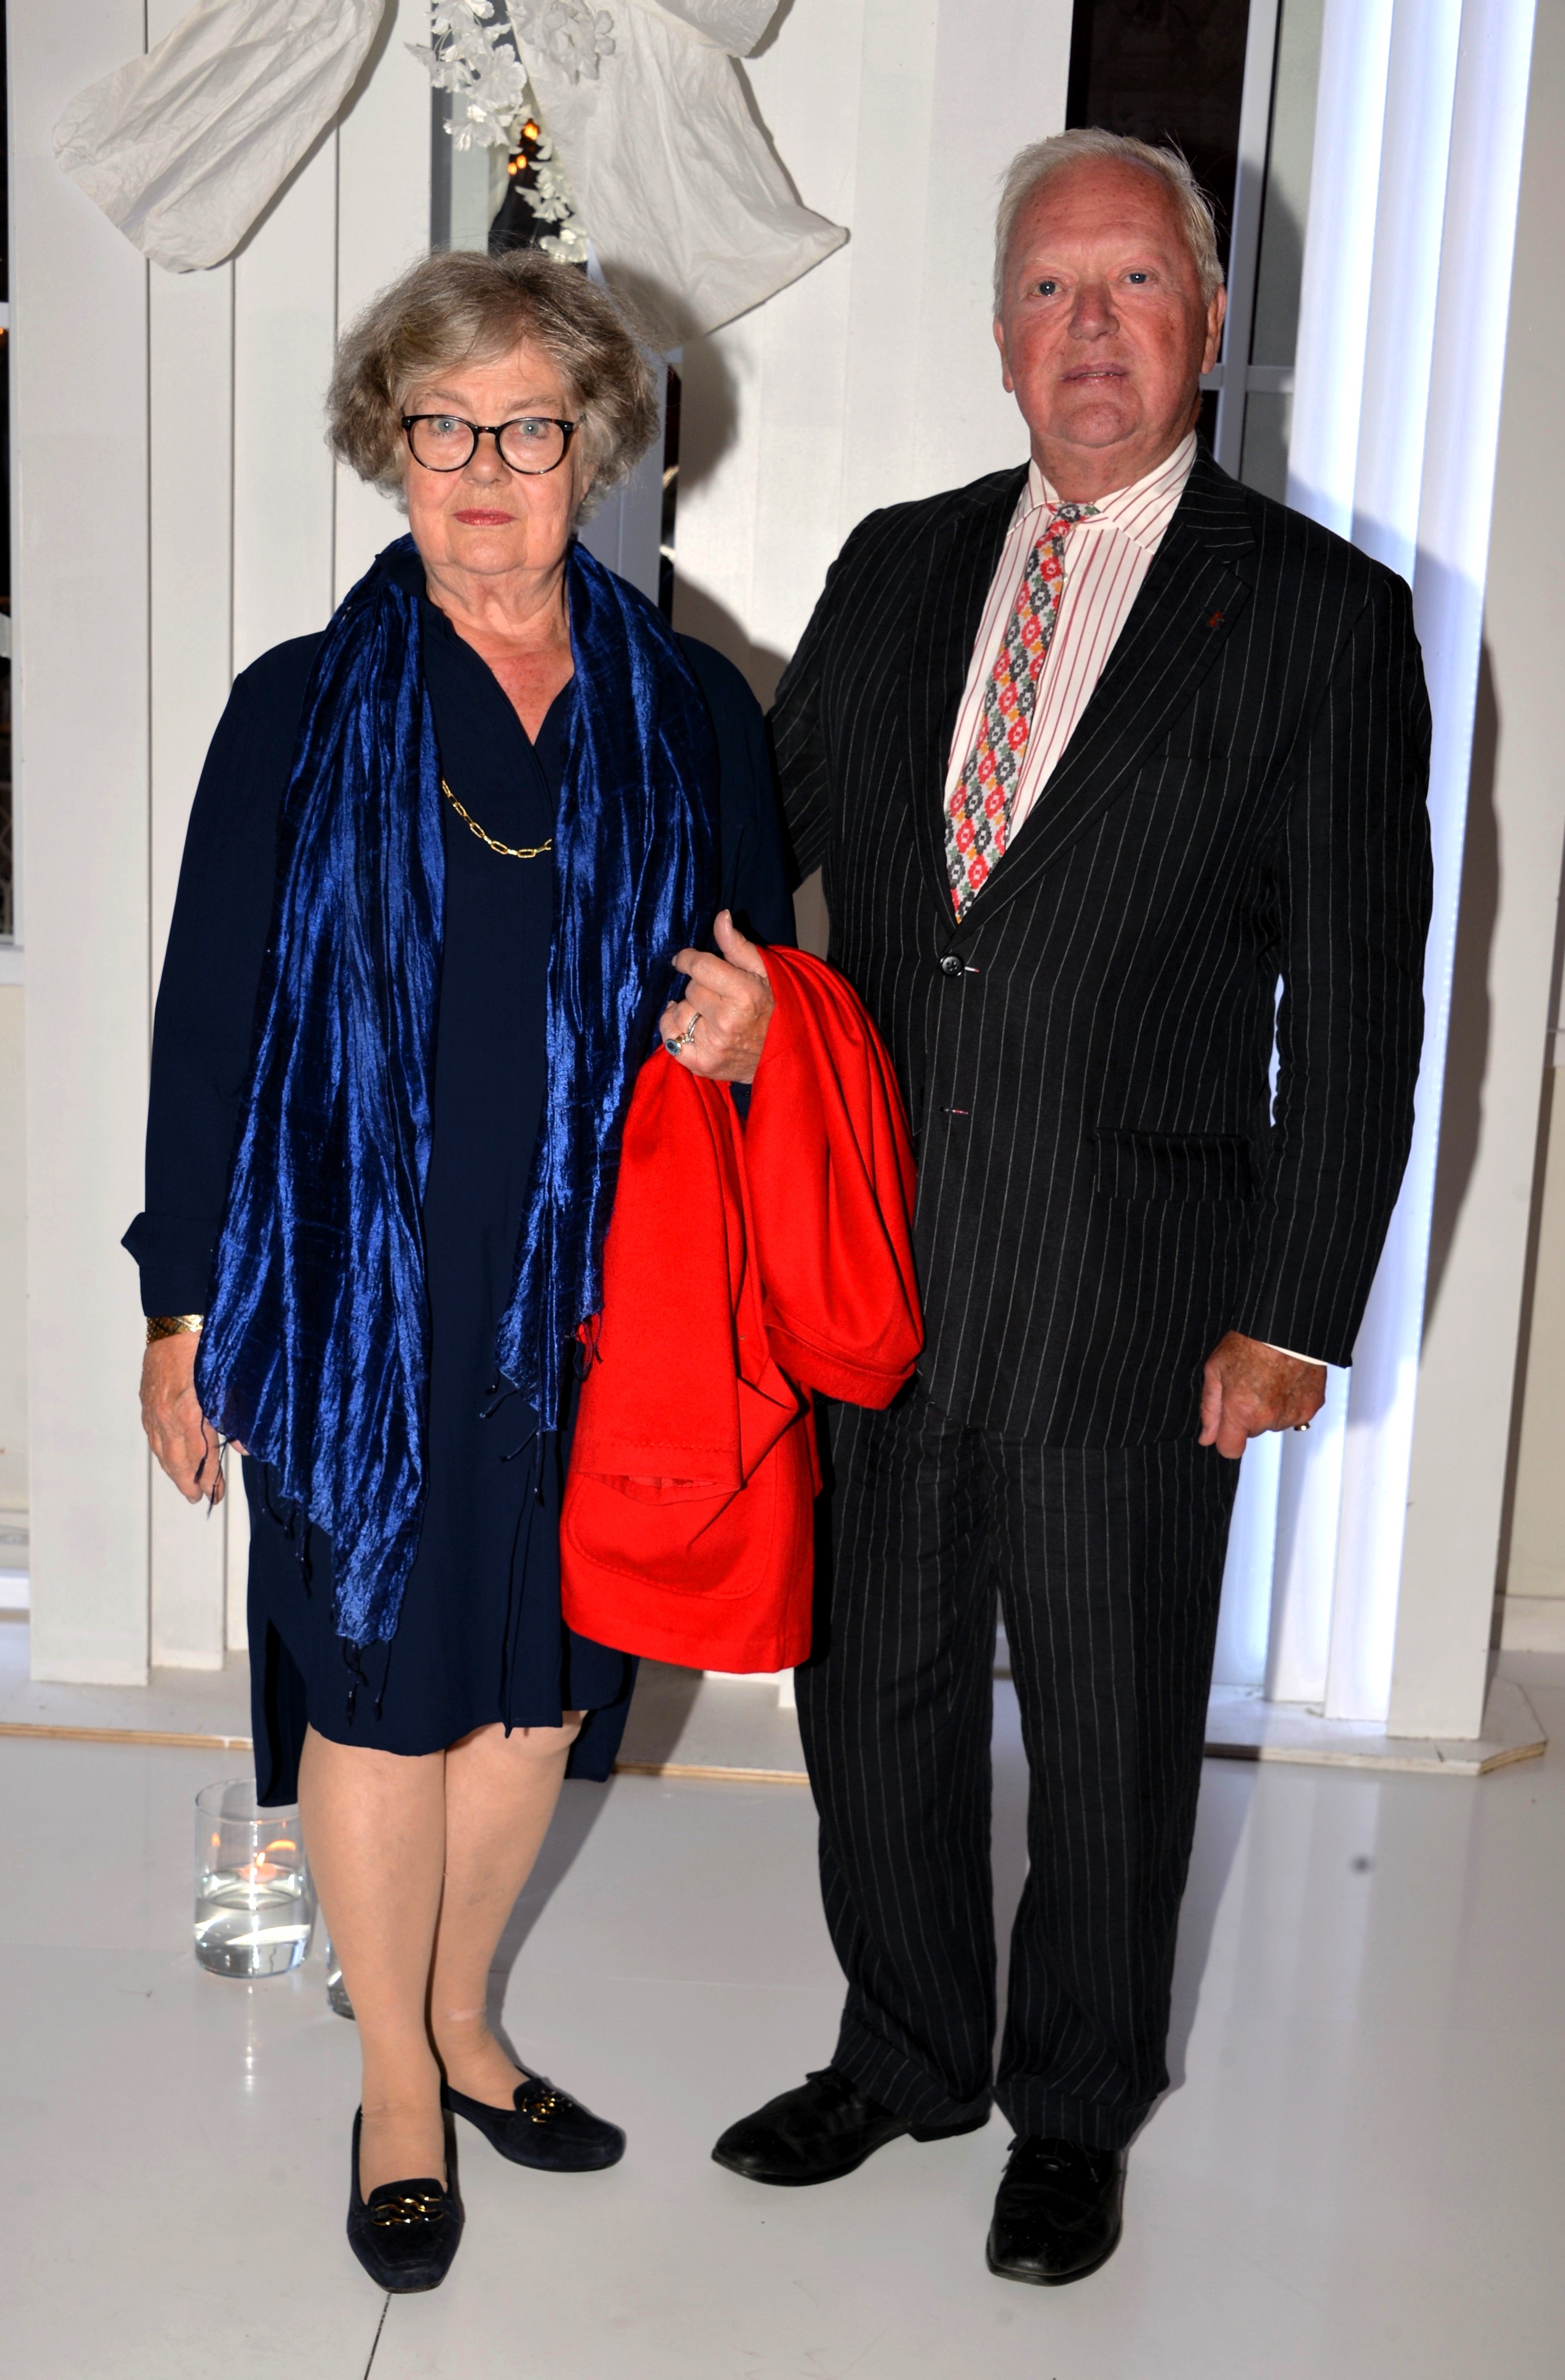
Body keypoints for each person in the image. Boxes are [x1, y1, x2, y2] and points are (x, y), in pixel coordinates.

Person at [713, 128, 1432, 2286]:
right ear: (1001, 338)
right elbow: (759, 842)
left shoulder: (1319, 619)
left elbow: (1365, 1008)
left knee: (1114, 1737)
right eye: (1049, 289)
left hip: (1136, 1290)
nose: (1090, 327)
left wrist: (1293, 1308)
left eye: (1133, 284)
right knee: (876, 1699)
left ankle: (1074, 2107)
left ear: (1208, 323)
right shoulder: (898, 566)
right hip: (876, 1265)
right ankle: (910, 2049)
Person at [127, 250, 792, 2293]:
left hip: (597, 1298)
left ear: (596, 449)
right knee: (383, 1684)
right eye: (445, 427)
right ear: (389, 447)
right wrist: (178, 1306)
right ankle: (398, 2082)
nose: (486, 470)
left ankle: (464, 2013)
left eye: (528, 428)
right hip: (356, 1298)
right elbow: (205, 1026)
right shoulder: (294, 711)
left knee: (545, 1688)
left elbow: (759, 980)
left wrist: (748, 1031)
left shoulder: (693, 708)